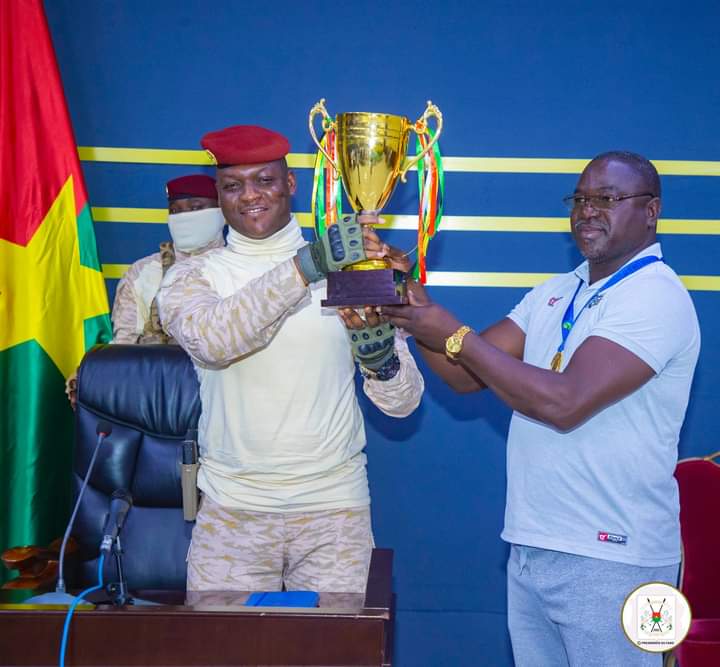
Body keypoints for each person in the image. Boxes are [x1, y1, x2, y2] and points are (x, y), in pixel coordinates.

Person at [383, 151, 700, 666]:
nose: (588, 210)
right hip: (533, 544)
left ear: (651, 211)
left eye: (607, 198)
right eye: (580, 199)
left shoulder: (656, 296)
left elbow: (564, 401)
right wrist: (412, 308)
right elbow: (464, 375)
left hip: (615, 555)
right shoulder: (556, 292)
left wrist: (452, 332)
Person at [157, 125, 424, 593]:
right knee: (216, 639)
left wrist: (381, 360)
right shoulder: (193, 276)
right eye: (233, 185)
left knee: (341, 640)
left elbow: (403, 404)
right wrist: (307, 265)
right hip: (231, 514)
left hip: (334, 512)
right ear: (218, 194)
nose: (250, 196)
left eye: (265, 180)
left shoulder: (349, 269)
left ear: (291, 184)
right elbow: (214, 341)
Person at [65, 174, 225, 408]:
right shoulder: (144, 272)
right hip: (156, 399)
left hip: (225, 395)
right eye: (175, 210)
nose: (184, 217)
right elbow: (124, 344)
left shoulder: (240, 268)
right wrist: (91, 378)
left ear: (222, 211)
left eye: (196, 208)